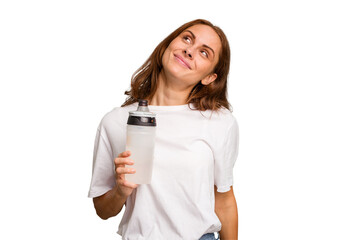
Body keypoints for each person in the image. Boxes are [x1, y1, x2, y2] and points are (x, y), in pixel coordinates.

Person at [88, 19, 239, 240]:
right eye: (187, 38)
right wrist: (120, 191)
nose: (189, 50)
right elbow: (102, 210)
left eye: (204, 53)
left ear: (209, 77)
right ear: (167, 46)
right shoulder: (116, 121)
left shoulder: (219, 122)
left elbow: (224, 201)